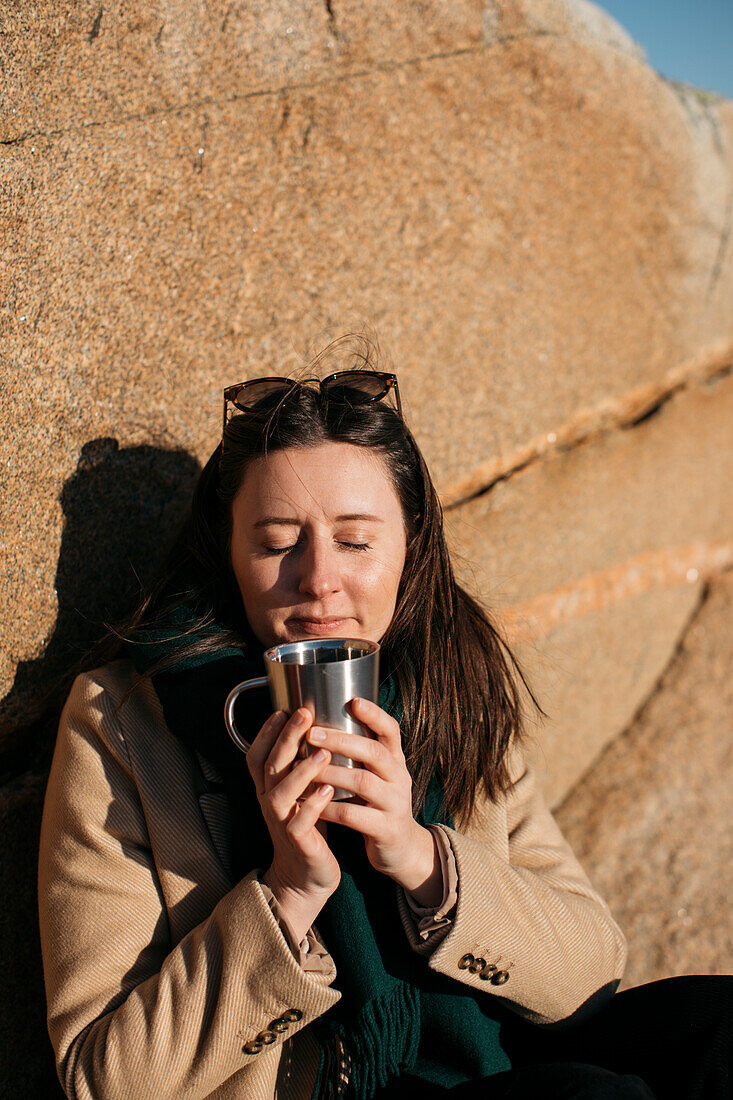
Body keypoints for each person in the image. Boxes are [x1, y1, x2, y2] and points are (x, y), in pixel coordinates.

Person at [38, 337, 731, 1100]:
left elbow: (593, 969)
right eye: (276, 544)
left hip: (496, 1059)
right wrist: (288, 892)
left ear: (410, 551)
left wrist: (420, 859)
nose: (319, 581)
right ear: (226, 554)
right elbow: (104, 1080)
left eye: (357, 540)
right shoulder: (128, 723)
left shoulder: (444, 682)